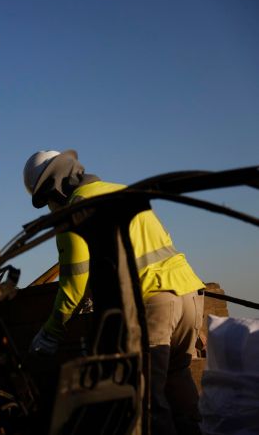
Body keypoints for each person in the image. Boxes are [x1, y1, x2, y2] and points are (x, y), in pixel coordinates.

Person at [23, 149, 205, 435]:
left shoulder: (75, 209)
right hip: (190, 295)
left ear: (52, 190)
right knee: (177, 380)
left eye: (45, 201)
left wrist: (52, 331)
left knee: (145, 402)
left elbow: (74, 282)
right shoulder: (122, 191)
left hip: (153, 304)